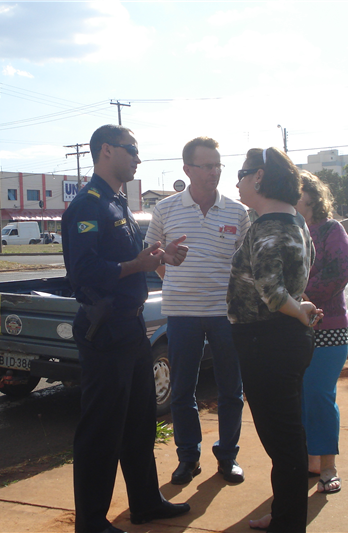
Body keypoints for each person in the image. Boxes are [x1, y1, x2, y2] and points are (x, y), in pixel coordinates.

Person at [62, 124, 190, 533]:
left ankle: (146, 503)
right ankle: (92, 522)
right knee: (101, 431)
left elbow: (126, 259)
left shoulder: (117, 202)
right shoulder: (89, 204)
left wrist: (160, 257)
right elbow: (83, 271)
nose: (138, 158)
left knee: (139, 423)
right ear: (105, 151)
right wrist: (138, 265)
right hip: (107, 332)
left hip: (132, 328)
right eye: (131, 150)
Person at [226, 147, 322, 532]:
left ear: (260, 177)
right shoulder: (293, 218)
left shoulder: (268, 226)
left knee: (281, 441)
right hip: (282, 340)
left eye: (242, 173)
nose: (237, 181)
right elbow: (297, 271)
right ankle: (285, 513)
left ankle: (288, 523)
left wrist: (298, 309)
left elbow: (271, 290)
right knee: (288, 434)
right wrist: (298, 306)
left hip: (265, 341)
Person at [145, 136, 250, 486]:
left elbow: (245, 264)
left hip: (226, 315)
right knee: (182, 389)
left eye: (217, 165)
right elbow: (152, 254)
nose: (213, 172)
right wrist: (171, 274)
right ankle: (188, 457)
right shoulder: (166, 209)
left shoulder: (237, 211)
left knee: (231, 389)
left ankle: (228, 456)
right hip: (182, 314)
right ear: (187, 169)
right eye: (205, 166)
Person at [296, 171, 348, 495]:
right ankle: (311, 460)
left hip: (328, 327)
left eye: (299, 191)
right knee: (301, 398)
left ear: (313, 197)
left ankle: (328, 466)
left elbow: (339, 268)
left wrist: (301, 297)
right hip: (292, 328)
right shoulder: (288, 228)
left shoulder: (331, 230)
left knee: (319, 395)